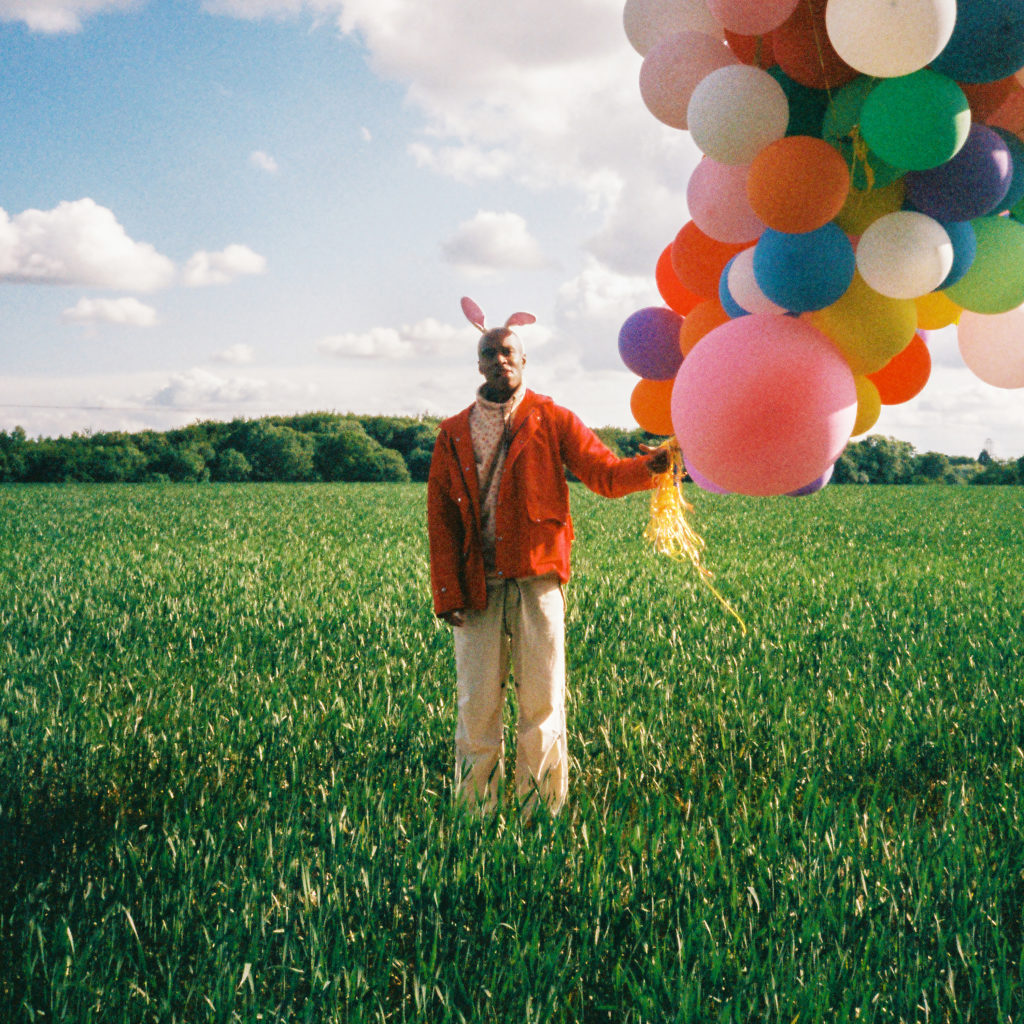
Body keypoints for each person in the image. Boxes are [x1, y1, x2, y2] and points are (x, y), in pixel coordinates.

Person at [426, 297, 670, 816]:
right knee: (476, 706)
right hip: (476, 584)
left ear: (523, 360)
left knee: (543, 701)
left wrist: (653, 467)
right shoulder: (452, 432)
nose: (500, 360)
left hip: (538, 577)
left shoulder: (550, 417)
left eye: (508, 351)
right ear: (479, 364)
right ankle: (476, 813)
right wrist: (444, 591)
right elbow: (441, 519)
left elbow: (603, 474)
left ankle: (540, 812)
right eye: (490, 352)